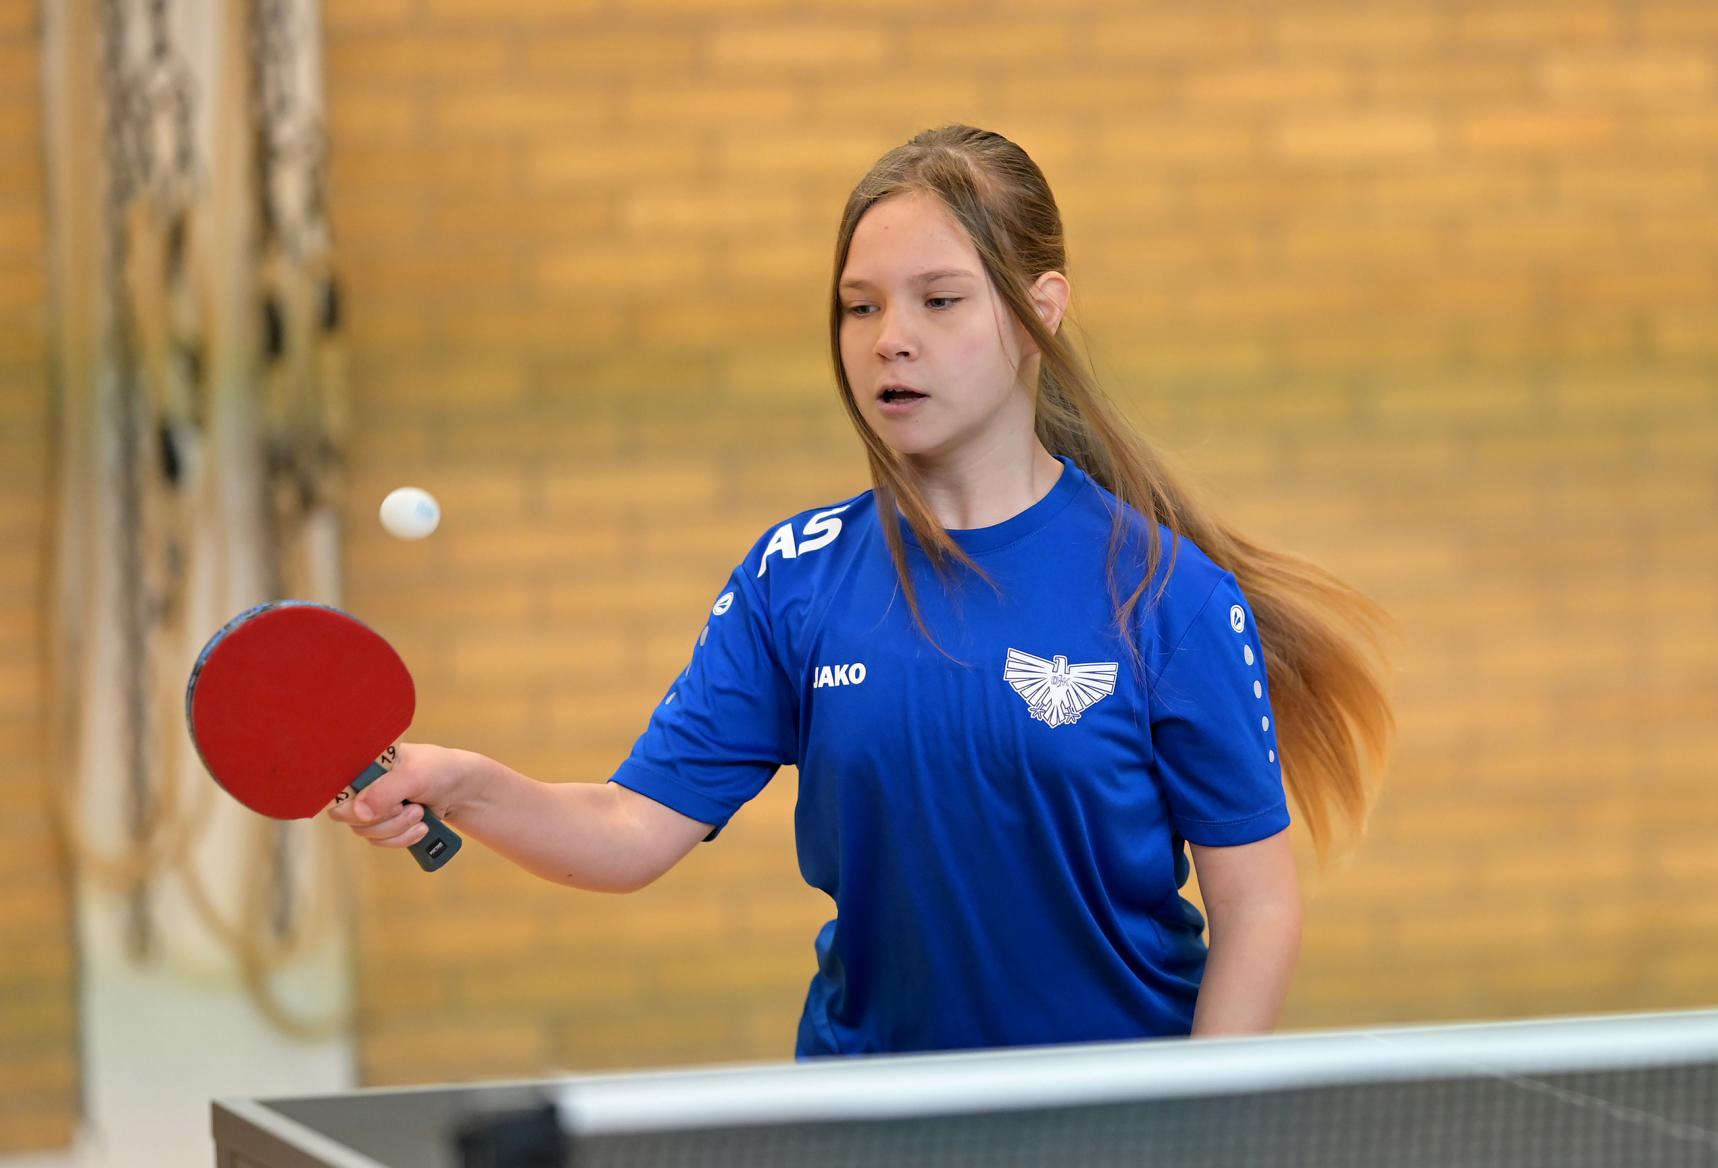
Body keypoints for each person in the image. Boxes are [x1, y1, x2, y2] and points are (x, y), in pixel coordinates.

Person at [332, 125, 1395, 1055]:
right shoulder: (793, 581)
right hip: (869, 1125)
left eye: (939, 300)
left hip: (1116, 1128)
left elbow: (1257, 911)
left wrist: (1193, 1130)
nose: (890, 338)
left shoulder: (1164, 594)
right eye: (859, 306)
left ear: (1040, 312)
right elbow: (628, 831)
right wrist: (463, 783)